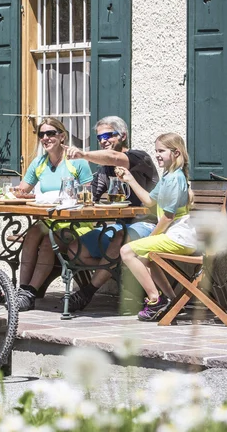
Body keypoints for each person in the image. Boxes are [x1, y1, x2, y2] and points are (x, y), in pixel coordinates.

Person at [61, 116, 159, 311]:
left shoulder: (139, 157)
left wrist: (83, 154)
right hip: (120, 224)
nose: (103, 140)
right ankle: (123, 276)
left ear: (122, 135)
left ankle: (87, 292)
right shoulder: (106, 168)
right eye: (99, 138)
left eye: (107, 135)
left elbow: (115, 158)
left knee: (119, 238)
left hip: (148, 223)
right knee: (73, 248)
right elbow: (91, 196)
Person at [11, 117, 93, 311]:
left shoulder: (77, 161)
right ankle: (22, 290)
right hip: (50, 219)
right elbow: (23, 190)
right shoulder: (39, 162)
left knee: (49, 240)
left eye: (50, 133)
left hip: (76, 222)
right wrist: (18, 192)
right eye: (42, 134)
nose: (45, 138)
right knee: (32, 233)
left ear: (62, 136)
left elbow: (89, 195)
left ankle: (31, 292)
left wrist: (68, 196)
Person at [118, 132, 198, 321]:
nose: (157, 155)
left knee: (126, 252)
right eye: (156, 151)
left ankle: (155, 300)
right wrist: (129, 179)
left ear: (176, 152)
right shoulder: (168, 176)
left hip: (179, 237)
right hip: (178, 235)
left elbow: (168, 217)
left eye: (161, 151)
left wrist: (151, 237)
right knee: (146, 257)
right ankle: (171, 300)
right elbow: (148, 201)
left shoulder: (174, 179)